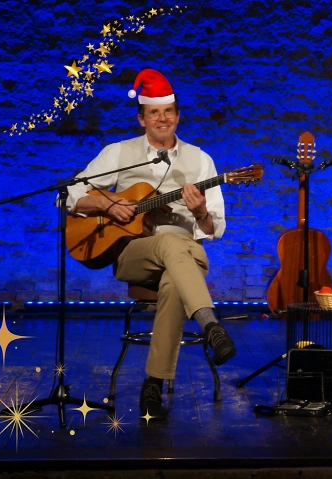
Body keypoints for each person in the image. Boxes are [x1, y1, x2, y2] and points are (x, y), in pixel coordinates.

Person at [65, 69, 236, 418]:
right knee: (171, 245)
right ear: (141, 118)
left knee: (175, 272)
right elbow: (70, 193)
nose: (163, 118)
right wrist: (106, 204)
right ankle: (210, 323)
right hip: (134, 253)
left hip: (186, 253)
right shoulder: (118, 152)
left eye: (169, 111)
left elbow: (214, 228)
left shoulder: (201, 160)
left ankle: (153, 385)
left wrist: (200, 212)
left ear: (178, 115)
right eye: (154, 112)